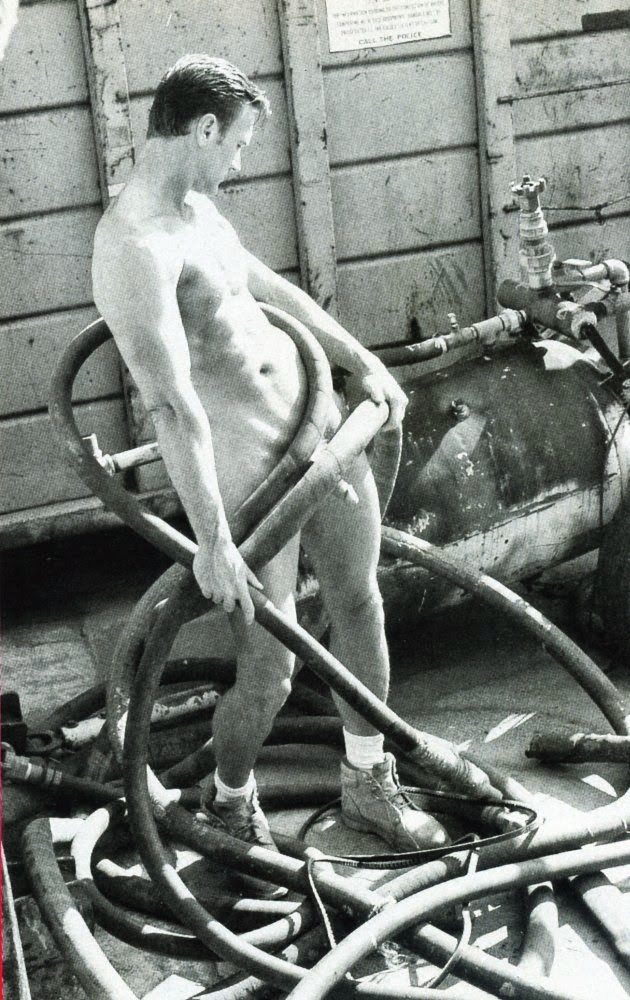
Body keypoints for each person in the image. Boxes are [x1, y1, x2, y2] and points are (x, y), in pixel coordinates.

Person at [92, 54, 448, 864]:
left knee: (361, 603)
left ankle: (368, 779)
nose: (240, 162)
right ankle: (230, 801)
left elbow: (269, 292)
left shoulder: (198, 212)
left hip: (321, 440)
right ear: (203, 129)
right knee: (271, 672)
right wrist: (212, 540)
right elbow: (171, 404)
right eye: (238, 144)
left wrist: (363, 362)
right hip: (253, 483)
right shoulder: (133, 247)